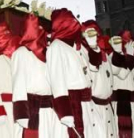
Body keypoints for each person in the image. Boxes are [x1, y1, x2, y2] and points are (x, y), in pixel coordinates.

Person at [46, 8, 105, 138]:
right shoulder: (56, 47)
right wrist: (65, 113)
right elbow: (57, 82)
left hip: (87, 105)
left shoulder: (79, 46)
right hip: (72, 107)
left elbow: (94, 68)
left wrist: (93, 47)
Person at [12, 15, 67, 138]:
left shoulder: (48, 52)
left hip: (50, 110)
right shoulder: (21, 53)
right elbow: (18, 85)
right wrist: (21, 114)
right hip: (32, 110)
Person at [81, 20, 117, 138]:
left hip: (108, 106)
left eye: (95, 34)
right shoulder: (83, 52)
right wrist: (92, 48)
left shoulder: (104, 54)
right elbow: (92, 69)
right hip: (95, 108)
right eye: (90, 34)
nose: (94, 37)